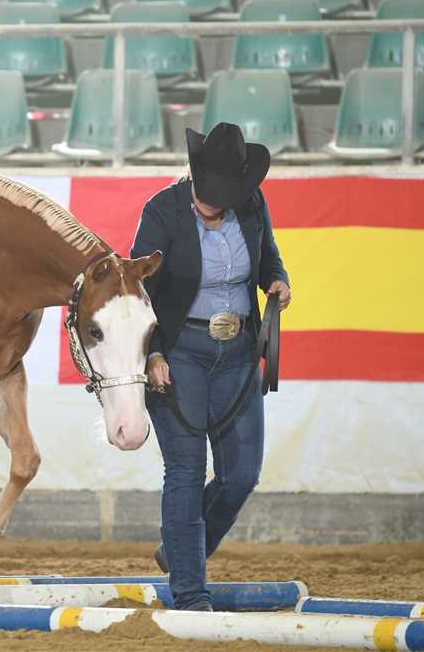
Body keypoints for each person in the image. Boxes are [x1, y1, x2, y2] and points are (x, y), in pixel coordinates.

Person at [130, 122, 292, 612]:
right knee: (185, 469)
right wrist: (152, 354)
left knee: (241, 474)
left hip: (239, 351)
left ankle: (179, 551)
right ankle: (190, 594)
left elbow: (268, 258)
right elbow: (139, 292)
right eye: (207, 190)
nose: (212, 201)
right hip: (179, 351)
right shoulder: (161, 211)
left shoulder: (252, 204)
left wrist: (277, 281)